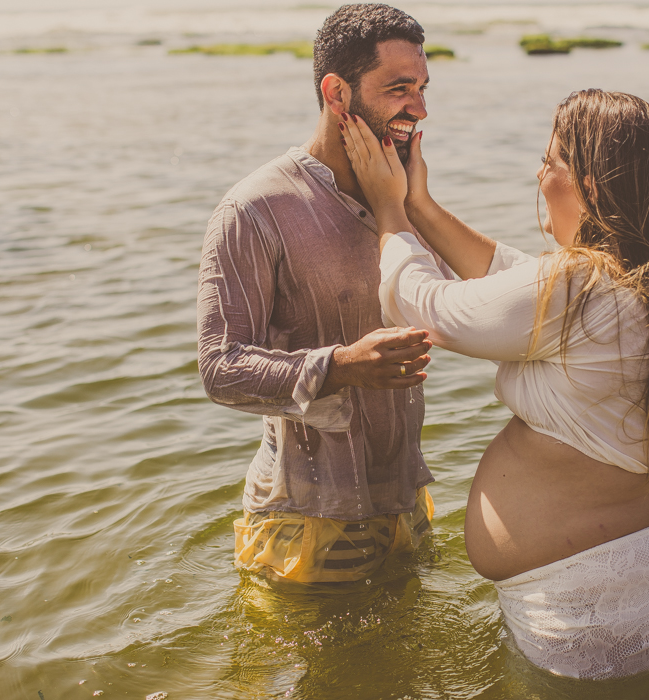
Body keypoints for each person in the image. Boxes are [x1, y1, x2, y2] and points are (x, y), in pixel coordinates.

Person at [339, 89, 649, 678]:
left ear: (592, 186)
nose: (538, 172)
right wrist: (420, 205)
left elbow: (428, 306)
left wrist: (389, 210)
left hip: (594, 622)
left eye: (551, 162)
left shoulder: (587, 290)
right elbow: (513, 282)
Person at [196, 4, 451, 584]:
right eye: (399, 89)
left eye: (423, 88)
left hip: (407, 504)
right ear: (337, 94)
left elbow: (459, 305)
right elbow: (220, 368)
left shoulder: (400, 194)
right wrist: (340, 366)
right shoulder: (254, 210)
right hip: (303, 522)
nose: (420, 109)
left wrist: (414, 206)